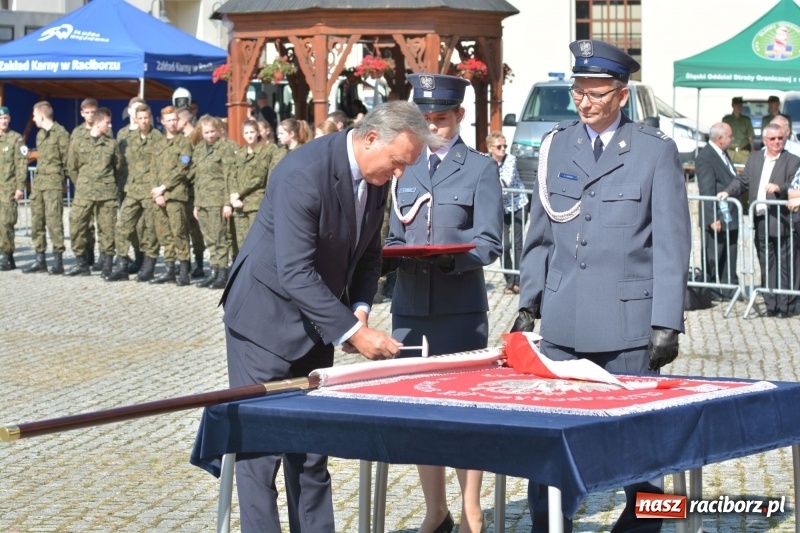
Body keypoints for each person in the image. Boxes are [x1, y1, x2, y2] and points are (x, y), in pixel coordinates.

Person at [221, 100, 434, 533]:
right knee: (260, 456)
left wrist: (358, 307)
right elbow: (294, 270)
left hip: (319, 322)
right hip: (263, 321)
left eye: (406, 166)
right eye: (397, 162)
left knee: (312, 450)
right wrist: (355, 334)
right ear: (371, 137)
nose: (399, 175)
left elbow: (370, 253)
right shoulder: (304, 172)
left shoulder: (376, 178)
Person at [511, 39, 690, 533]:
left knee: (643, 456)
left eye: (596, 92)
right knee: (551, 451)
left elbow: (673, 244)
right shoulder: (557, 146)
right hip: (563, 326)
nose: (584, 102)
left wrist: (666, 322)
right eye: (578, 91)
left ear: (622, 95)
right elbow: (540, 234)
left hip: (628, 327)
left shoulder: (654, 152)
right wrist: (529, 302)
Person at [385, 74, 503, 533]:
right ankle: (436, 511)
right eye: (427, 119)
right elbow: (396, 234)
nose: (434, 127)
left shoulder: (479, 168)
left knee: (464, 411)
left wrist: (455, 260)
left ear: (459, 117)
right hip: (411, 309)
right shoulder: (406, 167)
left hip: (459, 307)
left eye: (442, 119)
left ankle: (472, 508)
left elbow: (490, 241)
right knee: (419, 413)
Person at [719, 122, 800, 318]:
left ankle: (785, 306)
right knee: (765, 262)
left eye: (780, 138)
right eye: (772, 139)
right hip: (761, 219)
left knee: (785, 264)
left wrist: (779, 187)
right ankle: (771, 304)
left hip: (782, 220)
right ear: (764, 140)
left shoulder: (792, 160)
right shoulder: (755, 158)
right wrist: (728, 192)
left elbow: (794, 183)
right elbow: (743, 181)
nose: (777, 142)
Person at [106, 104, 163, 282]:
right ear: (135, 120)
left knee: (150, 229)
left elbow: (162, 166)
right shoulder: (129, 138)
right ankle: (122, 265)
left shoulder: (158, 138)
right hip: (132, 189)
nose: (144, 121)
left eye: (147, 118)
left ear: (150, 118)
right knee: (122, 227)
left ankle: (148, 266)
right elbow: (121, 163)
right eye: (141, 118)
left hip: (150, 191)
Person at [65, 107, 122, 278]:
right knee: (77, 225)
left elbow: (118, 168)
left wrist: (108, 184)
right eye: (107, 122)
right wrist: (83, 183)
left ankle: (107, 264)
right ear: (97, 122)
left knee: (108, 229)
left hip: (106, 193)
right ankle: (81, 263)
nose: (110, 125)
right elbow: (72, 167)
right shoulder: (78, 141)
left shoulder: (112, 144)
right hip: (84, 192)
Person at [188, 115, 235, 289]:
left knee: (219, 237)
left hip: (217, 199)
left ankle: (222, 273)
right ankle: (214, 271)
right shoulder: (199, 149)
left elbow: (228, 176)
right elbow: (197, 177)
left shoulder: (224, 148)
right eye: (206, 132)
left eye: (212, 132)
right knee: (209, 238)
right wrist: (196, 204)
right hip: (202, 201)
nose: (209, 135)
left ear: (218, 131)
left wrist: (227, 202)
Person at [23, 101, 69, 274]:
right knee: (37, 222)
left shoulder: (61, 134)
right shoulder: (40, 135)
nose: (34, 119)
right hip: (40, 184)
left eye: (35, 116)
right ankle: (39, 259)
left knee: (54, 222)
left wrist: (63, 181)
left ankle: (58, 261)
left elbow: (66, 160)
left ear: (42, 116)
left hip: (54, 184)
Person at [149, 106, 193, 286]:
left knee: (179, 232)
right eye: (169, 120)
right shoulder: (158, 144)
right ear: (162, 122)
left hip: (175, 196)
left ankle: (184, 271)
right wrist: (155, 191)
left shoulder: (184, 143)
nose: (172, 123)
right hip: (159, 197)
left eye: (175, 120)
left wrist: (163, 188)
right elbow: (153, 169)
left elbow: (183, 168)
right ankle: (169, 269)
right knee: (164, 234)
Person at [695, 122, 739, 297]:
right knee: (714, 255)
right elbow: (707, 189)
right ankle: (712, 291)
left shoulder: (723, 154)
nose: (732, 139)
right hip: (717, 216)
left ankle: (729, 289)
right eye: (729, 136)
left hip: (728, 214)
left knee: (729, 253)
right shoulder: (706, 157)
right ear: (720, 139)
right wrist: (712, 217)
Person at [487, 130, 527, 294]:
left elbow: (507, 182)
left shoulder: (511, 159)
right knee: (504, 245)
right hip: (500, 208)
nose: (503, 149)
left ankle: (518, 280)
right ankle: (509, 281)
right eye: (499, 146)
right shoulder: (486, 162)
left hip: (517, 204)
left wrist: (490, 183)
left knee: (518, 244)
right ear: (490, 148)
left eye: (505, 146)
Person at [225, 119, 270, 266]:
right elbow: (231, 174)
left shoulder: (264, 152)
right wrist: (232, 196)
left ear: (258, 133)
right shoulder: (240, 153)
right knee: (242, 242)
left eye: (252, 132)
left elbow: (258, 177)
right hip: (239, 205)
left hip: (254, 203)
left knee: (256, 241)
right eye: (246, 133)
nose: (249, 135)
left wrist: (239, 193)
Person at [115, 96, 147, 274]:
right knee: (127, 225)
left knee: (142, 226)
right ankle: (129, 257)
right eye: (133, 110)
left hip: (142, 187)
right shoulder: (122, 134)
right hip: (125, 185)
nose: (136, 114)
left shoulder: (149, 134)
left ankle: (143, 258)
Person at [67, 98, 100, 270]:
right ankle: (83, 255)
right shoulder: (77, 133)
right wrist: (79, 182)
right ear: (81, 113)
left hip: (101, 187)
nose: (90, 116)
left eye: (93, 112)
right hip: (83, 187)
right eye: (87, 113)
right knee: (82, 221)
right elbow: (72, 164)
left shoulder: (104, 131)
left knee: (97, 222)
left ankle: (92, 253)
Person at [0, 106, 28, 272]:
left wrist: (20, 187)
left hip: (8, 189)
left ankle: (6, 254)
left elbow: (21, 165)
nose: (3, 122)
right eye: (1, 119)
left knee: (6, 223)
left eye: (5, 119)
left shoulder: (16, 139)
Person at [722, 96, 755, 165]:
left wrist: (752, 153)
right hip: (729, 152)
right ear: (732, 105)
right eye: (737, 105)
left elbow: (751, 139)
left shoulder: (746, 120)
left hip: (743, 152)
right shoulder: (726, 119)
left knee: (745, 173)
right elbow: (722, 136)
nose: (739, 107)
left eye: (740, 105)